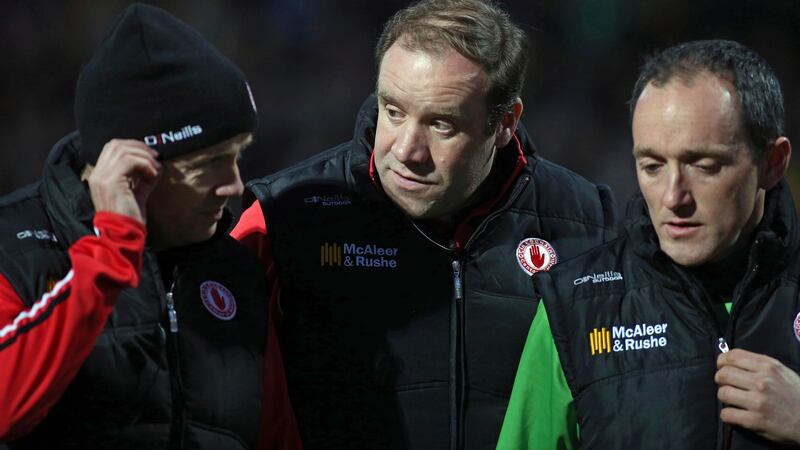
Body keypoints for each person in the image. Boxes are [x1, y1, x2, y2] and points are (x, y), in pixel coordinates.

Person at [231, 0, 617, 447]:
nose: (407, 150)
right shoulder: (282, 219)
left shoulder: (588, 223)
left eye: (441, 125)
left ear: (505, 123)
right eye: (392, 111)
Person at [0, 4, 300, 449]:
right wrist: (110, 253)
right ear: (130, 165)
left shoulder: (238, 273)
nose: (235, 185)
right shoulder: (12, 247)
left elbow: (275, 438)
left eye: (237, 155)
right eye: (209, 164)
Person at [497, 39, 800, 449]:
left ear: (773, 163)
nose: (673, 196)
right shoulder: (573, 307)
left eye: (704, 166)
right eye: (652, 166)